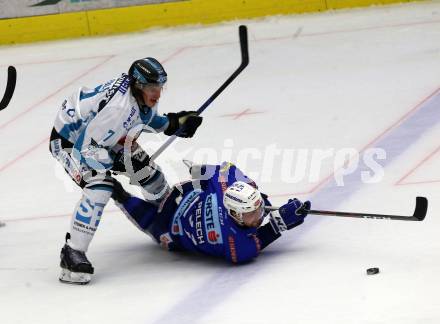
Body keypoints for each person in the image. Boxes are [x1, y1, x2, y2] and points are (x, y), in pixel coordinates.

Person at [49, 57, 203, 284]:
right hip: (71, 142)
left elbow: (141, 118)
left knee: (151, 176)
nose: (158, 94)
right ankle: (72, 253)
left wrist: (173, 124)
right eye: (153, 88)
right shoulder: (116, 109)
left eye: (160, 87)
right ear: (139, 85)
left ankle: (166, 220)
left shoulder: (138, 96)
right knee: (99, 185)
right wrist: (116, 165)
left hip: (103, 136)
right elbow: (87, 148)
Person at [112, 161, 311, 264]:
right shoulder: (238, 245)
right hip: (173, 229)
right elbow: (260, 239)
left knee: (143, 212)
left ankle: (119, 192)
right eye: (251, 214)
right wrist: (280, 223)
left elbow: (223, 169)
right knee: (152, 225)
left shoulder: (227, 186)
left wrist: (198, 170)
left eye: (259, 209)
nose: (259, 216)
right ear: (235, 214)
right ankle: (118, 191)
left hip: (179, 206)